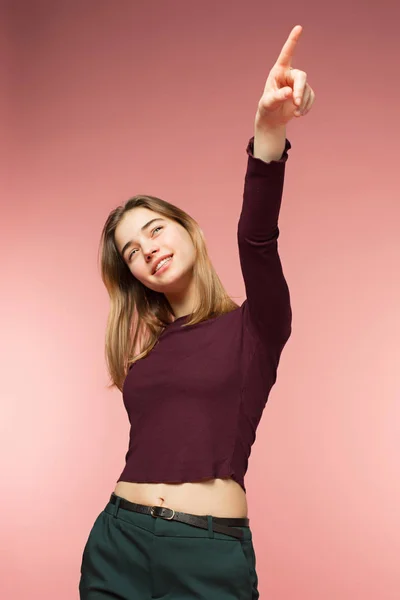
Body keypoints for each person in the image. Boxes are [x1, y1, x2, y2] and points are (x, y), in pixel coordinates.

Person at [79, 23, 315, 600]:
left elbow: (257, 238)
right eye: (132, 251)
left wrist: (267, 134)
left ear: (188, 229)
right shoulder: (147, 349)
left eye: (155, 229)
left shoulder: (256, 326)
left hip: (207, 552)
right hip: (117, 541)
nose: (148, 249)